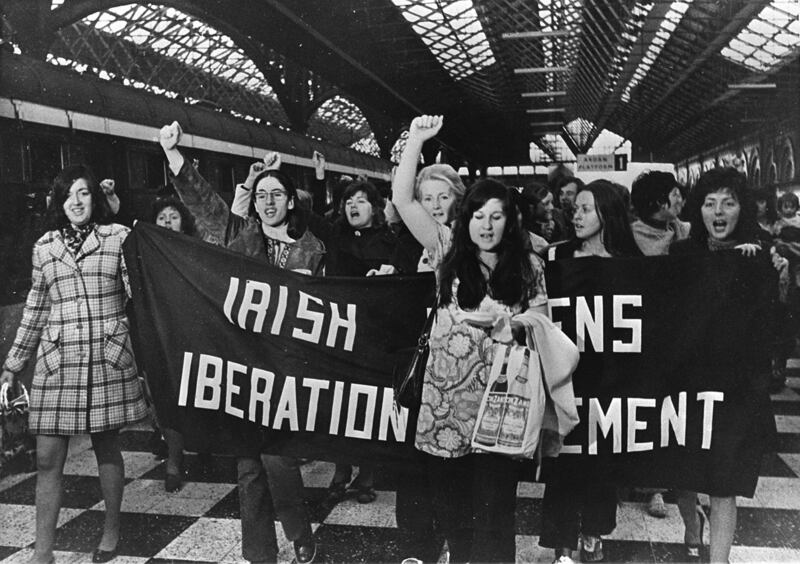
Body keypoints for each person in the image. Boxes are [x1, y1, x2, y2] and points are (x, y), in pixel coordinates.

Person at [392, 115, 578, 563]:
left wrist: (513, 326)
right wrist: (415, 140)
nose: (487, 226)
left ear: (509, 221)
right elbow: (402, 198)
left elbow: (542, 318)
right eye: (479, 216)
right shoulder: (444, 250)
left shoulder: (528, 265)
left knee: (495, 514)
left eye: (496, 217)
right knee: (453, 514)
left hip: (501, 407)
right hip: (444, 407)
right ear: (466, 218)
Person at [159, 122, 321, 564]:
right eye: (262, 195)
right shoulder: (242, 237)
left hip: (289, 369)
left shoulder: (314, 249)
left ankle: (297, 529)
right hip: (245, 367)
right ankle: (259, 555)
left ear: (291, 201)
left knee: (277, 457)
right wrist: (174, 154)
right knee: (250, 466)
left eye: (277, 195)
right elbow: (206, 206)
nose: (269, 203)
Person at [0, 165, 148, 564]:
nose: (77, 202)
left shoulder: (117, 238)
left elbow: (139, 290)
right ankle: (42, 552)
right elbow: (36, 308)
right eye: (69, 195)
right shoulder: (44, 247)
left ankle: (111, 532)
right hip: (57, 361)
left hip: (105, 357)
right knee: (48, 457)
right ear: (58, 201)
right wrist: (14, 363)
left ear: (94, 198)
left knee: (106, 448)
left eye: (83, 193)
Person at [669, 167, 783, 563]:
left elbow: (772, 327)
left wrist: (766, 273)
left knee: (722, 482)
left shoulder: (760, 255)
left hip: (733, 389)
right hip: (686, 384)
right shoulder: (682, 254)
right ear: (697, 209)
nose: (718, 211)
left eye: (728, 203)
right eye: (709, 202)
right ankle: (690, 523)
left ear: (741, 209)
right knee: (682, 477)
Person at [539, 180, 641, 564]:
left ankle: (593, 532)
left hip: (610, 378)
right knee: (564, 460)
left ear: (608, 213)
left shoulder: (631, 265)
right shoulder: (557, 256)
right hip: (566, 376)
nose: (575, 215)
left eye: (586, 208)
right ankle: (563, 544)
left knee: (600, 461)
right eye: (575, 208)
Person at [630, 170, 691, 256]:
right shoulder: (632, 237)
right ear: (660, 201)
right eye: (675, 195)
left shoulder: (677, 227)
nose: (680, 200)